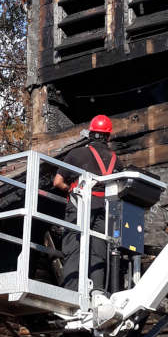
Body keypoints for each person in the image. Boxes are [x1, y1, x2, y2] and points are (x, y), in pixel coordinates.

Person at [53, 114, 121, 293]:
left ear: (90, 134)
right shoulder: (116, 160)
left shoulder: (77, 154)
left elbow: (57, 182)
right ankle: (97, 290)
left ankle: (72, 290)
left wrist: (71, 189)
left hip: (80, 206)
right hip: (103, 209)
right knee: (98, 248)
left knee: (75, 247)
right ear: (108, 136)